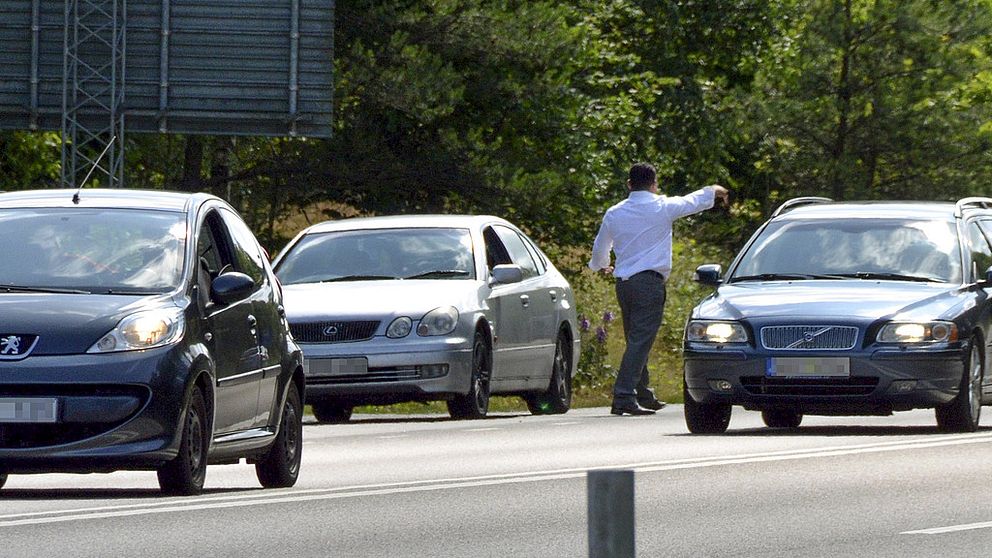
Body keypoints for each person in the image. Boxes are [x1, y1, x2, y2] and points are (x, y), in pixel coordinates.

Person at [589, 163, 729, 416]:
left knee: (635, 338)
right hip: (648, 283)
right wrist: (714, 190)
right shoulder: (662, 206)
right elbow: (692, 201)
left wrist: (602, 266)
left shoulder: (614, 212)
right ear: (654, 184)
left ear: (629, 184)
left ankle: (643, 393)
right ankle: (623, 395)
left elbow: (600, 248)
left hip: (624, 284)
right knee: (641, 340)